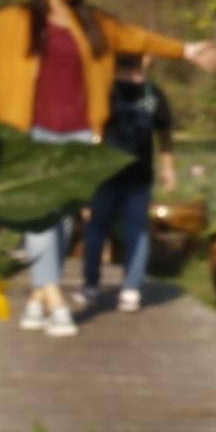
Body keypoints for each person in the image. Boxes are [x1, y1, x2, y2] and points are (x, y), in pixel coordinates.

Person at [0, 0, 216, 334]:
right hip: (31, 134)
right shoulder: (10, 21)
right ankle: (54, 295)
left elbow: (140, 39)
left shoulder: (97, 25)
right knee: (40, 218)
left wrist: (187, 50)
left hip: (79, 135)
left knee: (62, 224)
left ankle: (39, 297)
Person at [78, 55, 174, 314]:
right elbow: (94, 131)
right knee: (103, 228)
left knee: (128, 229)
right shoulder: (107, 91)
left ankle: (122, 287)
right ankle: (100, 284)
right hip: (108, 174)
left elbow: (164, 132)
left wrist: (168, 167)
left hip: (134, 175)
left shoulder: (152, 94)